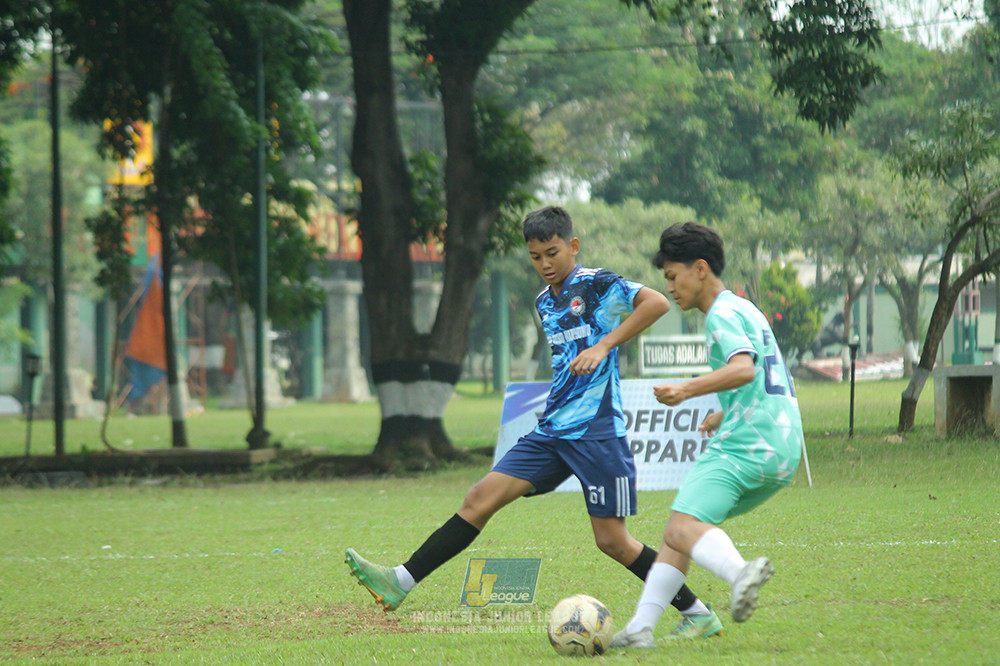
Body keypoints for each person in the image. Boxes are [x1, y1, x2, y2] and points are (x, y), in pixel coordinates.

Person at [346, 206, 723, 639]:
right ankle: (400, 581)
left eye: (552, 252)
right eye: (535, 256)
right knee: (478, 498)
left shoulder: (597, 283)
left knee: (613, 542)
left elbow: (655, 303)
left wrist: (603, 346)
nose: (545, 264)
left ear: (572, 246)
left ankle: (696, 612)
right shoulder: (544, 301)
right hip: (552, 430)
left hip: (597, 432)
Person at [611, 221, 803, 649]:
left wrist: (685, 389)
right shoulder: (745, 307)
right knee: (681, 528)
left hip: (746, 445)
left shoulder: (720, 315)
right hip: (782, 447)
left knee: (682, 528)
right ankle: (642, 627)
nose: (672, 287)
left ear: (700, 269)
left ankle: (740, 573)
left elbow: (743, 369)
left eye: (673, 277)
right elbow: (761, 377)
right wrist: (722, 411)